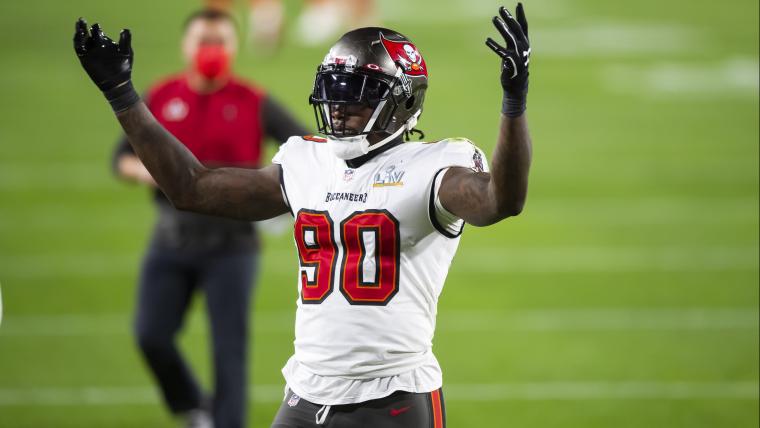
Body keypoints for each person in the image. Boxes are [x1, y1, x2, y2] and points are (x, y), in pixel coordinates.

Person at [73, 3, 532, 427]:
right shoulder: (307, 161)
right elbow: (190, 188)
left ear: (403, 102)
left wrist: (513, 104)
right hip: (306, 393)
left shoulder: (433, 167)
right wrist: (121, 95)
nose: (340, 108)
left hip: (395, 397)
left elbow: (500, 200)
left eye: (357, 96)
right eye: (335, 90)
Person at [109, 9, 308, 428]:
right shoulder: (161, 95)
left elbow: (307, 144)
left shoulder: (252, 100)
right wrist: (151, 172)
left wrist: (277, 189)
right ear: (186, 45)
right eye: (204, 41)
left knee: (229, 351)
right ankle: (194, 405)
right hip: (171, 239)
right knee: (151, 335)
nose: (211, 51)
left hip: (232, 246)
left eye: (220, 42)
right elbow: (121, 157)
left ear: (234, 47)